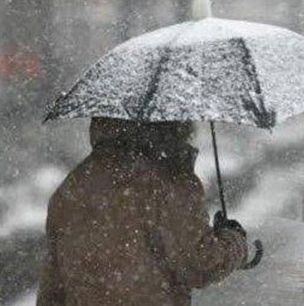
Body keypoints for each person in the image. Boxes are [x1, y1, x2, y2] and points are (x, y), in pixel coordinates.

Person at [37, 118, 248, 306]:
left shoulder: (75, 185)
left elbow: (53, 286)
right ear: (177, 123)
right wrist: (234, 241)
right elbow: (199, 264)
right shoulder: (172, 180)